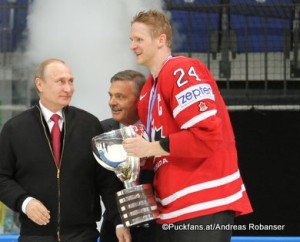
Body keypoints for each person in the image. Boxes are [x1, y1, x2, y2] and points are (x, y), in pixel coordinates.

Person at [122, 10, 253, 242]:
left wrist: (149, 149)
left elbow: (208, 136)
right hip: (170, 210)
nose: (132, 45)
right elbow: (155, 155)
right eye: (131, 40)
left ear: (161, 40)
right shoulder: (147, 92)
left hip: (203, 203)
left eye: (139, 39)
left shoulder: (180, 70)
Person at [0, 58, 130, 242]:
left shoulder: (90, 125)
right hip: (34, 235)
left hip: (83, 235)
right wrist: (24, 202)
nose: (68, 88)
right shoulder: (14, 129)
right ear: (40, 84)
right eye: (60, 81)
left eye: (71, 81)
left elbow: (106, 180)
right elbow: (2, 177)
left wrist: (119, 221)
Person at [100, 69, 156, 242]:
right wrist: (119, 221)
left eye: (120, 97)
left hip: (158, 227)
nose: (112, 102)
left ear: (141, 100)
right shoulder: (102, 131)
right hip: (115, 227)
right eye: (111, 95)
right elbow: (104, 184)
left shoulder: (157, 129)